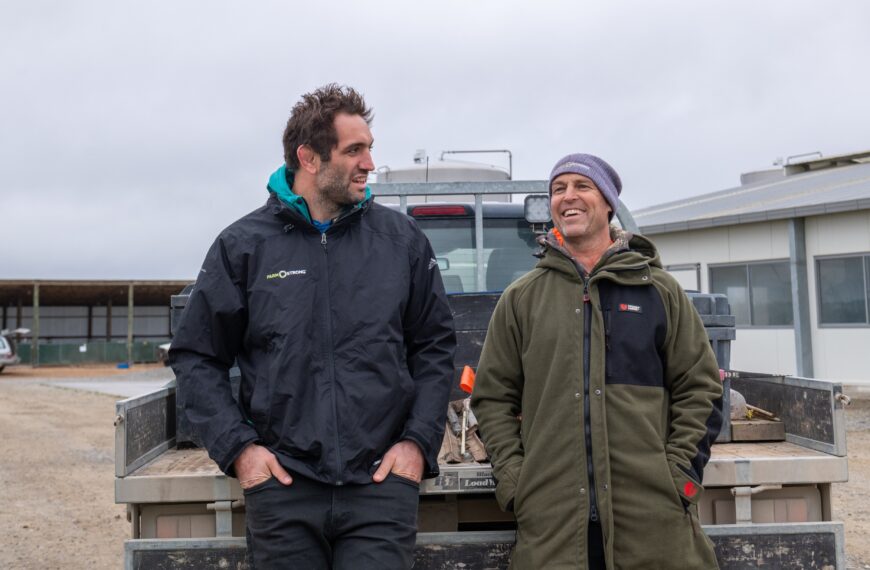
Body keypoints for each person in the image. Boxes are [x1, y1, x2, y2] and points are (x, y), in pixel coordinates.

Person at [169, 84, 456, 569]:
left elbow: (433, 346)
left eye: (370, 149)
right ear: (309, 158)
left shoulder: (400, 241)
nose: (369, 164)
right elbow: (197, 356)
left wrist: (416, 444)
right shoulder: (243, 246)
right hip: (283, 487)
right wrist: (241, 451)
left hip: (380, 487)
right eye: (354, 150)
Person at [471, 153, 723, 569]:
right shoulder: (522, 298)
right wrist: (518, 482)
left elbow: (701, 387)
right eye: (558, 189)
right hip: (552, 524)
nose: (567, 196)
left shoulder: (659, 291)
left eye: (581, 186)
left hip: (651, 520)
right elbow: (492, 398)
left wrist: (678, 476)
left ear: (607, 201)